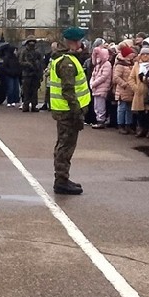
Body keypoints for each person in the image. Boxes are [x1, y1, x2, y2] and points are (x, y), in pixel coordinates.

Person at [50, 27, 90, 195]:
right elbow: (69, 90)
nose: (81, 44)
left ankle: (63, 178)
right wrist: (77, 112)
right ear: (74, 42)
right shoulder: (67, 62)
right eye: (80, 41)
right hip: (68, 111)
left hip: (64, 110)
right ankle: (61, 180)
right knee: (65, 146)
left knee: (64, 145)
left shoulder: (65, 58)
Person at [88, 42, 114, 128]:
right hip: (96, 88)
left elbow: (104, 76)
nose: (97, 57)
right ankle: (98, 119)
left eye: (99, 55)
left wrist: (94, 83)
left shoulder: (107, 64)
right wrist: (91, 82)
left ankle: (101, 120)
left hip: (102, 88)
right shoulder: (97, 65)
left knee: (100, 105)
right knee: (96, 105)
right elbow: (93, 75)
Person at [113, 45, 137, 135]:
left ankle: (128, 125)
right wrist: (124, 84)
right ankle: (121, 125)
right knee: (122, 108)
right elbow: (116, 77)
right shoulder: (120, 65)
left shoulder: (131, 64)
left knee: (129, 108)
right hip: (123, 89)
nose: (132, 55)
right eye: (131, 53)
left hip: (130, 90)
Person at [20, 40, 44, 112]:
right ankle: (26, 105)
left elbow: (41, 63)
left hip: (35, 74)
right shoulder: (24, 52)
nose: (32, 44)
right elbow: (20, 62)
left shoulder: (38, 52)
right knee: (26, 91)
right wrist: (28, 64)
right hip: (26, 74)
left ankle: (34, 106)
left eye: (33, 43)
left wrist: (40, 74)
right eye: (30, 43)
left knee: (34, 91)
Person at [0, 43, 21, 109]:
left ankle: (15, 100)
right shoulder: (7, 58)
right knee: (10, 89)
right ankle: (9, 101)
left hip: (15, 75)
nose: (16, 51)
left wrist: (18, 72)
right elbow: (4, 67)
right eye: (15, 50)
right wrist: (9, 72)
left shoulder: (16, 58)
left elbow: (19, 66)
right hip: (9, 75)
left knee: (16, 89)